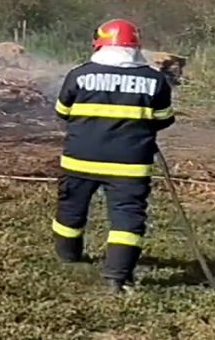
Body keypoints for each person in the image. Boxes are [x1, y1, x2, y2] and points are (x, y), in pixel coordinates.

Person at [53, 18, 175, 293]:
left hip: (79, 159)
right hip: (129, 165)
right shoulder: (155, 79)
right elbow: (164, 118)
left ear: (100, 45)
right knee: (127, 216)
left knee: (71, 207)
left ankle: (68, 256)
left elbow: (63, 112)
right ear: (135, 46)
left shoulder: (79, 74)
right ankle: (117, 277)